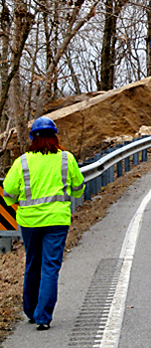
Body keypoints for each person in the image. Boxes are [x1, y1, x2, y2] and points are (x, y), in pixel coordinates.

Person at [2, 117, 84, 331]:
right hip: (57, 221)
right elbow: (78, 188)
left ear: (32, 139)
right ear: (55, 136)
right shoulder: (66, 159)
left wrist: (19, 202)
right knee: (50, 268)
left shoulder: (23, 162)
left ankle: (30, 311)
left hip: (29, 222)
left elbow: (8, 193)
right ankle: (43, 316)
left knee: (32, 264)